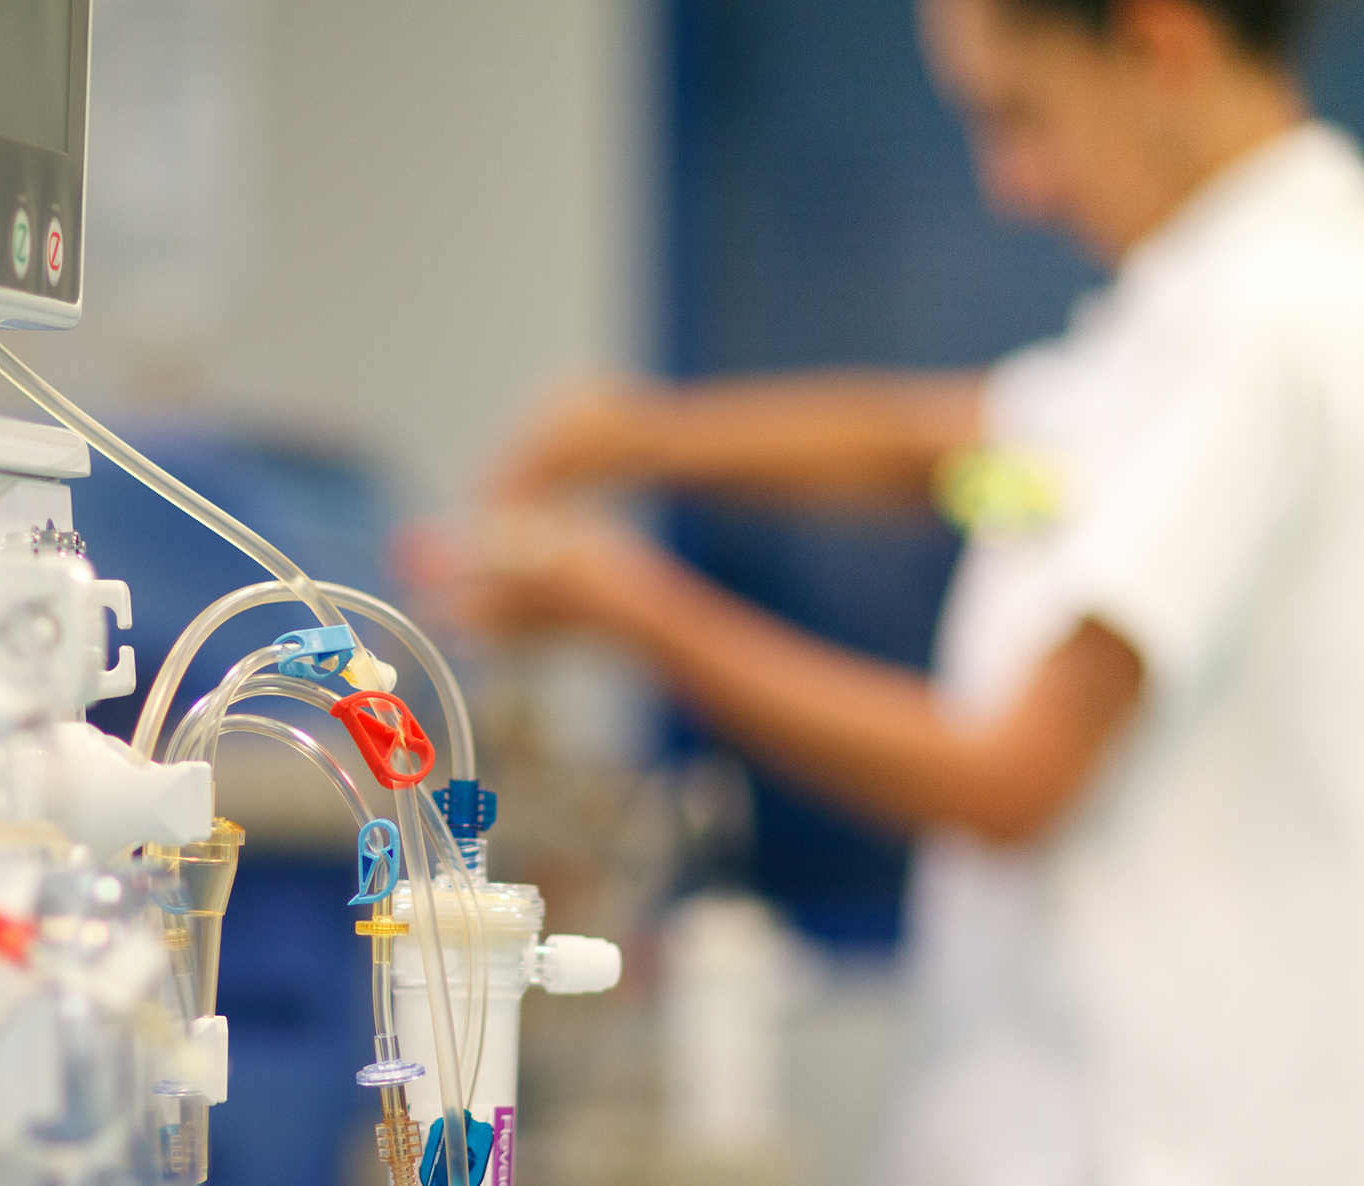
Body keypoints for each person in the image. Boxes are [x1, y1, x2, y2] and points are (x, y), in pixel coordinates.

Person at [433, 0, 1364, 1181]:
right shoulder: (1189, 314)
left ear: (1157, 47)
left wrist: (632, 609)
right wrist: (635, 438)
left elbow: (1010, 774)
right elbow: (954, 451)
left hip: (1174, 1138)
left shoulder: (1266, 327)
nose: (1010, 185)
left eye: (1018, 113)